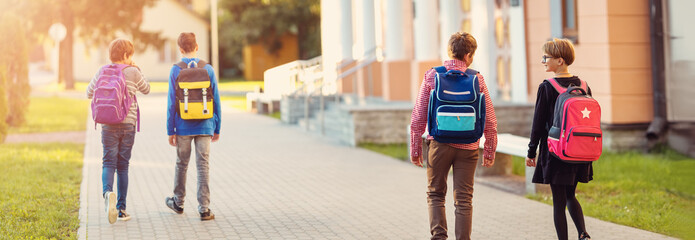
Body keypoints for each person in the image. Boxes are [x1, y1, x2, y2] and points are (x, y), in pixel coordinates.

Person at [409, 32, 498, 240]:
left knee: (435, 194)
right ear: (468, 55)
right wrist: (490, 150)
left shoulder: (432, 75)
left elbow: (418, 115)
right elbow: (490, 119)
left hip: (438, 145)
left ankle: (439, 237)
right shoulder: (477, 78)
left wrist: (415, 149)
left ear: (450, 51)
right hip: (468, 147)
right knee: (464, 199)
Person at [525, 38, 593, 240]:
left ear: (560, 61)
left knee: (558, 202)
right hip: (579, 150)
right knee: (571, 195)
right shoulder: (583, 85)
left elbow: (537, 125)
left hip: (556, 152)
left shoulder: (547, 87)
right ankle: (583, 233)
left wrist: (531, 151)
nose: (543, 60)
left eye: (546, 57)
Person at [86, 38, 151, 224]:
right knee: (122, 166)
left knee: (108, 162)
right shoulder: (132, 71)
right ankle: (121, 209)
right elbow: (146, 89)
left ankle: (108, 193)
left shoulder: (102, 70)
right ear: (125, 55)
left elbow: (88, 93)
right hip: (128, 125)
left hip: (107, 125)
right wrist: (137, 70)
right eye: (131, 55)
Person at [165, 32, 221, 221]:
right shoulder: (208, 69)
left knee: (182, 164)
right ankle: (204, 209)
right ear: (197, 47)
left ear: (180, 49)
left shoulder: (176, 70)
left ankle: (178, 203)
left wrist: (170, 130)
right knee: (203, 166)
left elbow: (172, 103)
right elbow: (217, 101)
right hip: (205, 125)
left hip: (182, 126)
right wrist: (217, 127)